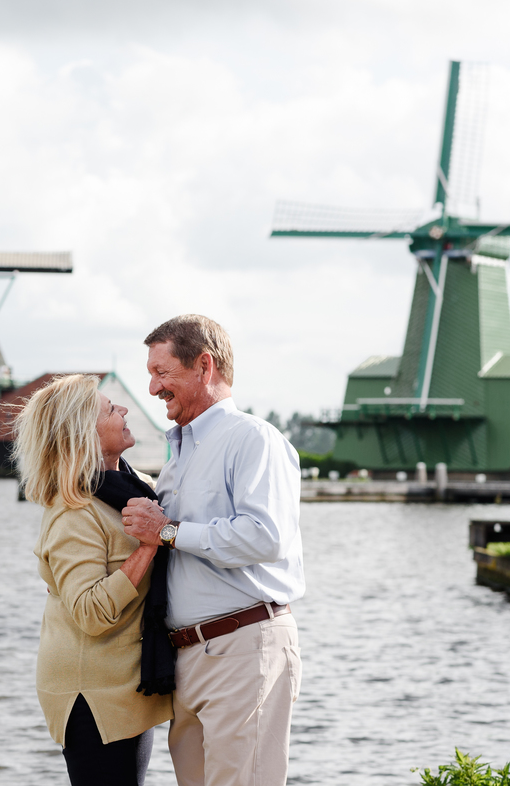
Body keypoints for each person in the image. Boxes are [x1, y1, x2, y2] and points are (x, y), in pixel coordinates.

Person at [121, 315, 304, 786]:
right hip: (189, 657)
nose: (152, 386)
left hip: (243, 648)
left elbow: (265, 535)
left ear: (204, 366)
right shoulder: (179, 452)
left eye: (163, 372)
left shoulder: (253, 439)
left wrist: (168, 531)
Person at [13, 374, 173, 786]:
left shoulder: (133, 490)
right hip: (93, 695)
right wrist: (148, 548)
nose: (122, 410)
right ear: (83, 433)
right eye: (109, 409)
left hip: (123, 683)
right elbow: (90, 612)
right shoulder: (74, 513)